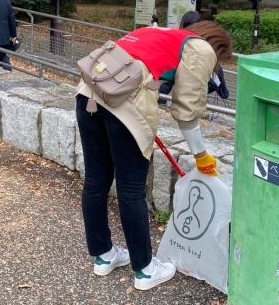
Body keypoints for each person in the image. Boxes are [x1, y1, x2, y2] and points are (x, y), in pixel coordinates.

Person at [76, 20, 233, 290]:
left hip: (87, 94)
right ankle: (145, 270)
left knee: (96, 181)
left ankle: (103, 256)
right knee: (131, 189)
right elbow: (187, 110)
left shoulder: (158, 32)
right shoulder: (200, 48)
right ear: (217, 46)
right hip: (124, 109)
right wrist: (201, 155)